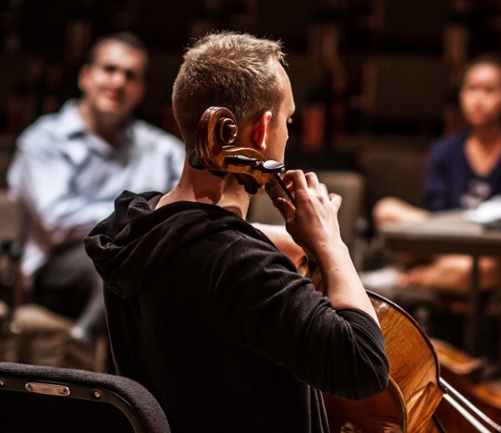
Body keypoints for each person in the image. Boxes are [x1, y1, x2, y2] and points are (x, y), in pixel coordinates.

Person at [83, 32, 389, 432]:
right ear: (262, 131)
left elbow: (195, 237)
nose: (287, 133)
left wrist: (267, 237)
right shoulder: (238, 264)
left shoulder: (132, 227)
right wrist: (332, 244)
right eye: (288, 120)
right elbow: (364, 366)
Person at [7, 32, 185, 352]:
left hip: (139, 265)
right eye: (109, 69)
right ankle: (86, 343)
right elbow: (56, 220)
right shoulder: (44, 140)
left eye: (129, 75)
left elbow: (186, 205)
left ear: (140, 90)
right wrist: (140, 215)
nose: (118, 82)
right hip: (57, 270)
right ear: (86, 76)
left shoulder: (163, 150)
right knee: (118, 257)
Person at [367, 55, 501, 294]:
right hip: (447, 238)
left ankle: (410, 277)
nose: (478, 99)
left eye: (489, 90)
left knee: (478, 269)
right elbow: (435, 211)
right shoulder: (445, 148)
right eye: (471, 89)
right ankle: (447, 270)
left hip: (495, 251)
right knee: (386, 210)